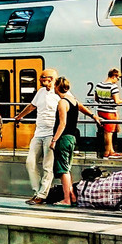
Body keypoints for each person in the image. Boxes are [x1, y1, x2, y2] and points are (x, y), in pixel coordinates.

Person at [14, 70, 61, 205]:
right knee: (30, 162)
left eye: (42, 78)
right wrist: (19, 116)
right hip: (38, 133)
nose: (40, 80)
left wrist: (93, 116)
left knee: (48, 165)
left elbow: (74, 104)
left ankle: (42, 194)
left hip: (51, 133)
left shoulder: (59, 93)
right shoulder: (40, 92)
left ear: (51, 79)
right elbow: (32, 106)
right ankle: (37, 191)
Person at [48, 77, 82, 206]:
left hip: (63, 138)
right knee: (67, 168)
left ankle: (66, 199)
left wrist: (54, 140)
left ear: (57, 86)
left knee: (63, 170)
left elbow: (62, 123)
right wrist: (93, 115)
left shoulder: (62, 102)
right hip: (72, 138)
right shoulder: (74, 101)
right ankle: (72, 196)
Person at [93, 68, 122, 159]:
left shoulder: (99, 85)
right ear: (114, 76)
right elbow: (116, 101)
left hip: (100, 111)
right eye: (118, 78)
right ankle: (108, 152)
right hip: (110, 112)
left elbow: (96, 99)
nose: (117, 81)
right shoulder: (113, 87)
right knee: (109, 133)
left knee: (105, 132)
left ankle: (111, 150)